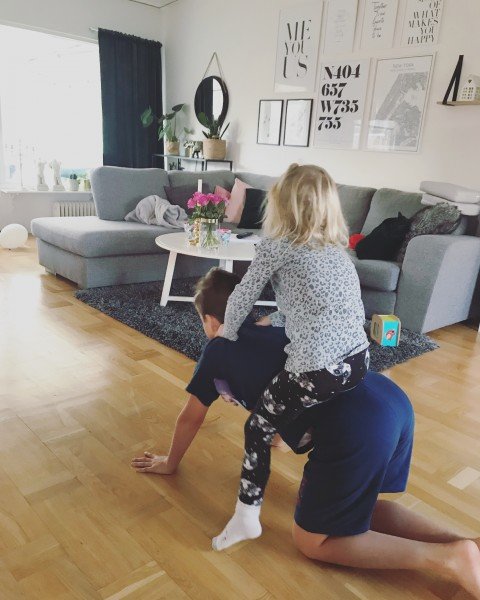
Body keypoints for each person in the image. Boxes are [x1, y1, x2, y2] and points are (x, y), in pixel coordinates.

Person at [213, 164, 370, 551]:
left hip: (317, 368)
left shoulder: (277, 245)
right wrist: (278, 319)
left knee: (257, 427)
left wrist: (226, 335)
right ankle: (305, 433)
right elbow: (325, 306)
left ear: (280, 204)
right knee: (300, 404)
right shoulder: (337, 252)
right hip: (358, 361)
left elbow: (242, 295)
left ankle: (246, 517)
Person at [130, 268, 310, 477]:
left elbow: (191, 418)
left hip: (322, 429)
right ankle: (284, 435)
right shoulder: (273, 330)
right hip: (329, 400)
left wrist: (169, 463)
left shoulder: (217, 351)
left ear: (211, 321)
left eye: (201, 320)